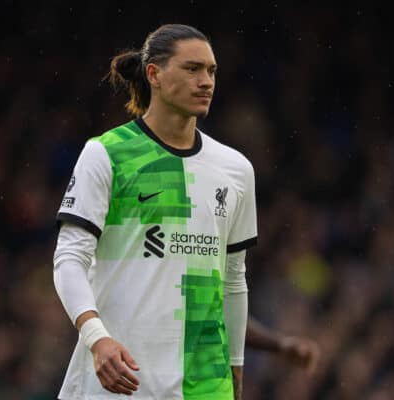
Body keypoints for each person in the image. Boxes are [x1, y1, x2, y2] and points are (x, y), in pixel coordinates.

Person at [53, 24, 256, 399]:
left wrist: (235, 368)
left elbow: (233, 277)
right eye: (192, 69)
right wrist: (97, 339)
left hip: (203, 385)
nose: (206, 81)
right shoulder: (107, 154)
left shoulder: (236, 169)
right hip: (119, 378)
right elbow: (69, 257)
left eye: (211, 71)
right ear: (154, 74)